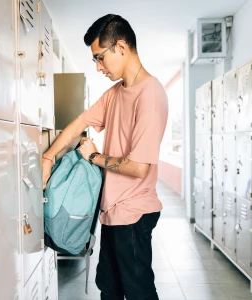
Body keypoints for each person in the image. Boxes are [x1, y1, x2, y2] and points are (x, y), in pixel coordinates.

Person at [41, 14, 168, 300]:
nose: (98, 67)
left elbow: (138, 168)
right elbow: (79, 123)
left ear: (121, 48)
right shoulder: (115, 94)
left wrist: (95, 156)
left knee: (138, 292)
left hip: (134, 212)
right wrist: (48, 157)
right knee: (109, 288)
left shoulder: (150, 95)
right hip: (112, 212)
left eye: (100, 58)